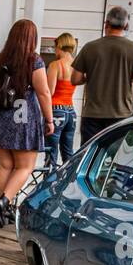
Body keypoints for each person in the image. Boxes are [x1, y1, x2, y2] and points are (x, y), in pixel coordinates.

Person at [0, 18, 54, 228]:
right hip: (23, 118)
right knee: (25, 166)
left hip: (0, 117)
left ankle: (5, 210)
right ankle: (3, 202)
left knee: (4, 165)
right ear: (32, 39)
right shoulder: (34, 61)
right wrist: (49, 119)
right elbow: (44, 92)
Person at [70, 5, 133, 145]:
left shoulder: (90, 47)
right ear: (126, 25)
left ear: (106, 23)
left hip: (92, 114)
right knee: (117, 158)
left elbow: (75, 79)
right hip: (121, 114)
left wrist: (91, 76)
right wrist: (129, 77)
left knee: (90, 156)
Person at [45, 33, 78, 167]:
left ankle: (48, 184)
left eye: (55, 48)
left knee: (51, 154)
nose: (55, 51)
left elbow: (49, 91)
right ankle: (68, 184)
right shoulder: (77, 66)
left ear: (59, 46)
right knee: (68, 154)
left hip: (56, 111)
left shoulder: (55, 65)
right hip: (71, 112)